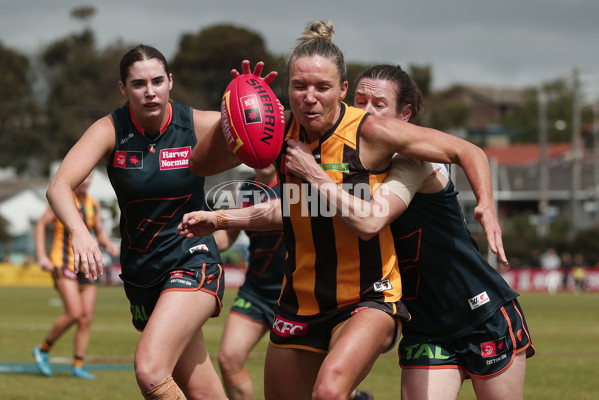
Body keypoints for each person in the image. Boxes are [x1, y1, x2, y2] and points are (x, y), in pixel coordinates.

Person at [181, 20, 506, 400]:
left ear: (343, 90)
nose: (310, 97)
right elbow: (202, 167)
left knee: (329, 391)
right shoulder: (279, 130)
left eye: (322, 87)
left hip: (368, 298)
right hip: (298, 300)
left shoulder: (370, 133)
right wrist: (235, 113)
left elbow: (466, 150)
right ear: (286, 89)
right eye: (299, 87)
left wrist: (486, 203)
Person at [282, 64, 535, 400]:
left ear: (405, 115)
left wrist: (486, 203)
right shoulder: (346, 167)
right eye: (360, 102)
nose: (367, 112)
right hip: (424, 325)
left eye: (379, 104)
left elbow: (371, 220)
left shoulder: (413, 162)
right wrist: (224, 218)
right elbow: (298, 208)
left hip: (480, 312)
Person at [44, 44, 231, 399]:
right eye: (139, 84)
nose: (150, 92)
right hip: (141, 272)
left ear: (170, 82)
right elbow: (59, 187)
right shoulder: (110, 129)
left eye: (158, 81)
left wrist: (252, 101)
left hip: (192, 259)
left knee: (150, 371)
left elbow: (264, 134)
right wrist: (80, 232)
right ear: (123, 88)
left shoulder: (196, 123)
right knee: (204, 393)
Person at [33, 172, 119, 379]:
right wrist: (42, 256)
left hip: (85, 265)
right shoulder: (64, 200)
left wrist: (108, 245)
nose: (86, 181)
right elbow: (40, 225)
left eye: (89, 178)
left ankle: (78, 365)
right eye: (82, 177)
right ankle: (43, 349)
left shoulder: (93, 204)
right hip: (62, 262)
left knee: (86, 318)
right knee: (74, 313)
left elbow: (98, 231)